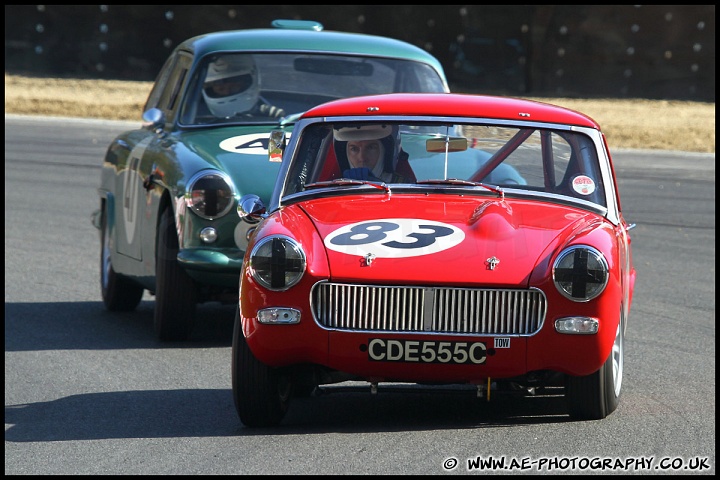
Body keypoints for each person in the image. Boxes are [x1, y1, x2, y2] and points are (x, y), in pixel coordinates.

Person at [202, 55, 285, 119]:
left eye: (233, 86)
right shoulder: (193, 117)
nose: (227, 92)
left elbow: (278, 140)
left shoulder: (271, 115)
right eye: (221, 89)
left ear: (245, 83)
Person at [332, 124, 416, 183]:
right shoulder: (332, 186)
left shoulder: (404, 187)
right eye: (354, 149)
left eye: (370, 147)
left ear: (386, 152)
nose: (362, 158)